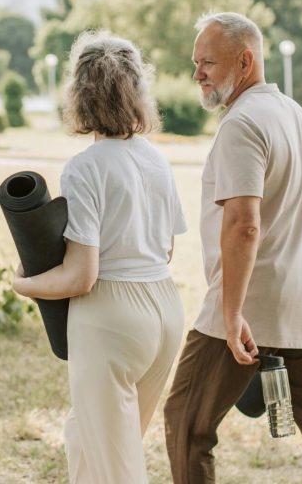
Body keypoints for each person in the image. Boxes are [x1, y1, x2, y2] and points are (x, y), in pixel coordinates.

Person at [163, 12, 302, 483]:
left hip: (246, 311)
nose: (197, 74)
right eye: (195, 63)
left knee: (186, 422)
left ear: (244, 61)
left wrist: (230, 313)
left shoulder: (242, 124)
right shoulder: (299, 119)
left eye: (207, 63)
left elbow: (244, 224)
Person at [12, 31, 187, 484]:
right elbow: (166, 249)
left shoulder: (85, 167)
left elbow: (81, 275)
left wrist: (24, 284)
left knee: (116, 468)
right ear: (137, 93)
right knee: (89, 440)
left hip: (112, 318)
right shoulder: (156, 160)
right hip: (165, 313)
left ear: (80, 96)